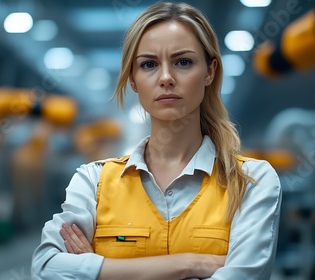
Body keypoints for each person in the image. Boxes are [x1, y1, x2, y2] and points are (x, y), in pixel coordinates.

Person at [31, 2, 282, 279]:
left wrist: (98, 270)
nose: (166, 78)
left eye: (183, 62)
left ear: (210, 71)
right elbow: (45, 268)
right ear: (134, 80)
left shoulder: (251, 181)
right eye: (149, 64)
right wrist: (191, 264)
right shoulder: (93, 182)